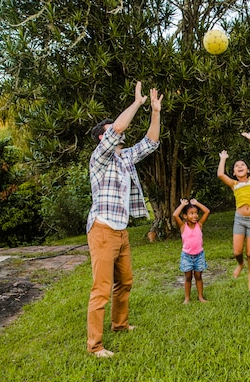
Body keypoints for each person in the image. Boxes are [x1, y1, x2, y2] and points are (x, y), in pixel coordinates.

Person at [86, 81, 163, 358]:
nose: (117, 135)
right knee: (101, 290)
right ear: (101, 139)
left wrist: (155, 111)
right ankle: (95, 346)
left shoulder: (124, 158)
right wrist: (137, 104)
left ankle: (120, 324)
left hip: (121, 231)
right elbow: (118, 128)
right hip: (103, 230)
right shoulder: (99, 159)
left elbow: (151, 143)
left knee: (125, 282)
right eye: (109, 133)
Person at [217, 132, 250, 292]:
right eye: (236, 166)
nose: (240, 167)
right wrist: (223, 159)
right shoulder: (234, 184)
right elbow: (220, 174)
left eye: (242, 165)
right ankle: (240, 264)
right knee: (237, 251)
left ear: (248, 170)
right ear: (234, 173)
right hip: (240, 220)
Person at [173, 198, 211, 304]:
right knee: (188, 277)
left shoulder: (200, 225)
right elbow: (175, 215)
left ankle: (200, 297)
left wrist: (197, 203)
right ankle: (187, 298)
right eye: (191, 213)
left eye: (196, 213)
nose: (195, 216)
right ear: (185, 216)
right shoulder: (182, 226)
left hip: (199, 255)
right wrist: (182, 205)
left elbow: (207, 211)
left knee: (198, 276)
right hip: (186, 256)